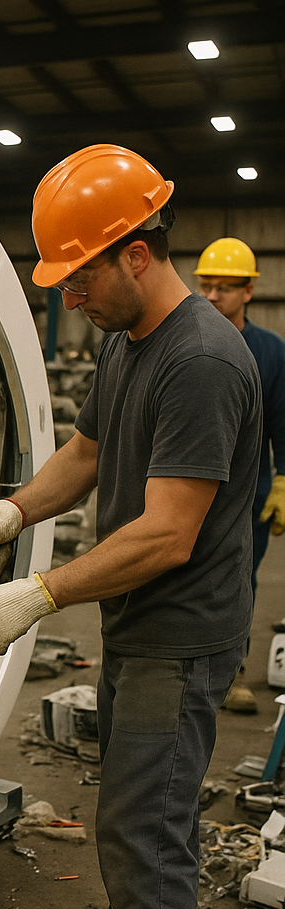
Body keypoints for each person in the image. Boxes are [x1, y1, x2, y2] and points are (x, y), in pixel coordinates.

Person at [0, 144, 260, 909]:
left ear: (135, 254)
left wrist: (37, 594)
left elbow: (167, 534)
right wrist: (10, 513)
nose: (67, 297)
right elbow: (85, 456)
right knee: (141, 813)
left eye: (79, 277)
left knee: (142, 824)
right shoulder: (129, 341)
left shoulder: (200, 360)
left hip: (182, 631)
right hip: (138, 621)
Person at [194, 237, 285, 712]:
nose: (212, 296)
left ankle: (232, 671)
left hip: (249, 490)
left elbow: (284, 421)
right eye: (206, 286)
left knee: (239, 580)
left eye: (225, 288)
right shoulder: (186, 340)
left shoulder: (270, 352)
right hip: (190, 483)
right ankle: (184, 666)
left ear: (249, 291)